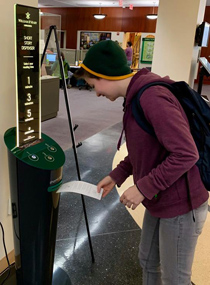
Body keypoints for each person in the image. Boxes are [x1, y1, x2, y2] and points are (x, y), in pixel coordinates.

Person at [74, 40, 209, 285]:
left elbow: (187, 153)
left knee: (175, 278)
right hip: (161, 198)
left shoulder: (151, 97)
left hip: (181, 203)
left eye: (93, 85)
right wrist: (118, 174)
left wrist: (143, 188)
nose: (96, 93)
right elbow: (145, 149)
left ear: (103, 76)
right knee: (147, 261)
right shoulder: (135, 96)